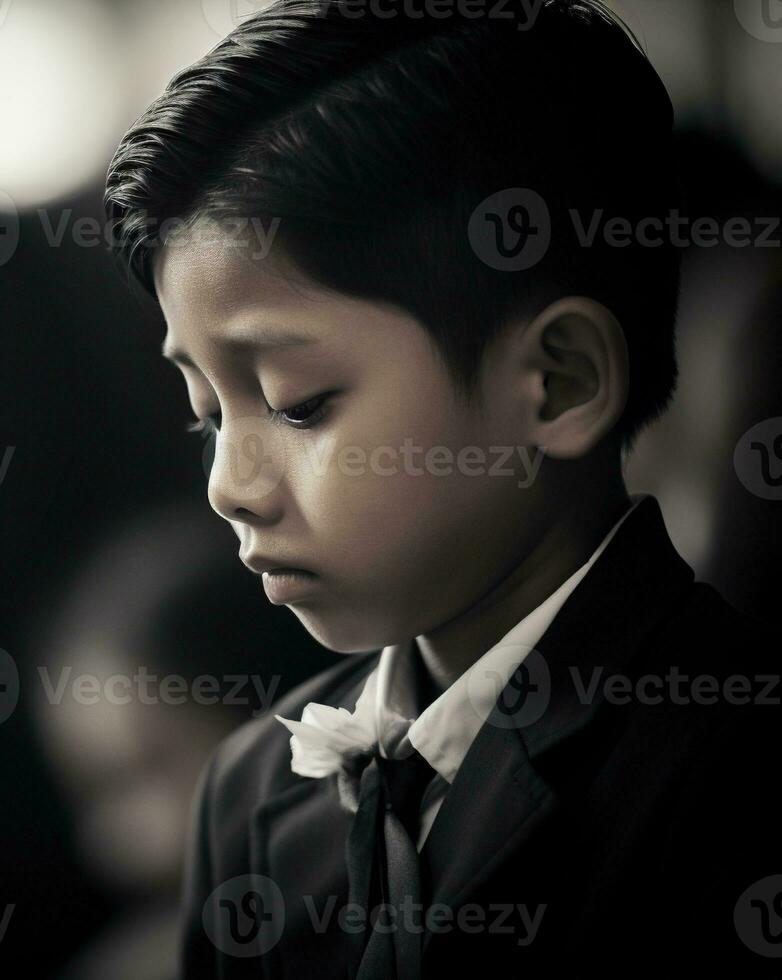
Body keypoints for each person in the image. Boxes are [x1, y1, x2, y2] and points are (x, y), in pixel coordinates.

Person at [102, 1, 779, 975]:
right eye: (207, 411)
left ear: (559, 382)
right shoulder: (252, 793)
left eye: (299, 402)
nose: (227, 484)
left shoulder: (734, 771)